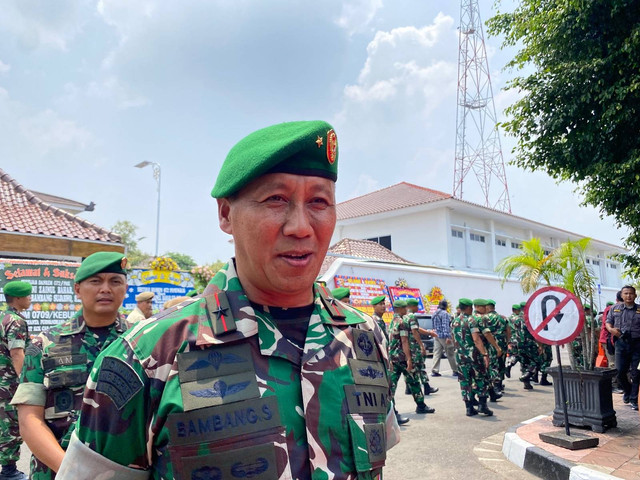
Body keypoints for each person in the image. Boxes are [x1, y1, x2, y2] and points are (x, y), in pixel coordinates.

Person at [57, 121, 399, 479]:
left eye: (319, 201)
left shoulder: (365, 337)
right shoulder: (147, 357)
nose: (300, 226)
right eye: (276, 200)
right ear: (225, 214)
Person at [11, 251, 129, 480]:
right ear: (77, 289)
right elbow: (29, 420)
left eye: (115, 281)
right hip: (57, 471)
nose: (106, 288)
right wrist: (73, 472)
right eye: (95, 281)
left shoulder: (142, 342)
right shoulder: (44, 345)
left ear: (125, 287)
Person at [0, 281, 32, 480]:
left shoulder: (4, 317)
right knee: (10, 425)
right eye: (28, 296)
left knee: (4, 423)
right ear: (19, 298)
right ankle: (9, 472)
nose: (30, 299)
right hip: (10, 382)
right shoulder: (16, 321)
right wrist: (24, 382)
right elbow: (17, 353)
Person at [388, 300, 434, 415]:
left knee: (392, 385)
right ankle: (421, 406)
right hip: (402, 358)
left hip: (393, 357)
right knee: (414, 382)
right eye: (404, 308)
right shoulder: (402, 322)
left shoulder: (392, 321)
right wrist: (409, 359)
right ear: (399, 309)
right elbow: (404, 341)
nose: (405, 310)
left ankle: (391, 410)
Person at [451, 298, 492, 417]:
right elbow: (476, 339)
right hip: (473, 356)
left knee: (465, 381)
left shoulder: (455, 321)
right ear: (469, 308)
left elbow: (454, 339)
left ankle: (469, 408)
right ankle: (482, 405)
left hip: (460, 356)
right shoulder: (472, 320)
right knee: (481, 378)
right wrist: (484, 354)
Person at [606, 285, 640, 411]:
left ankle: (633, 399)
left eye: (631, 293)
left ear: (635, 295)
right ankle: (628, 390)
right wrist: (611, 329)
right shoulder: (615, 309)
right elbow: (608, 321)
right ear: (621, 295)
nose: (628, 296)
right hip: (621, 344)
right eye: (626, 293)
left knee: (636, 373)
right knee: (620, 372)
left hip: (637, 345)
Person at [404, 299, 438, 396]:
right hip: (413, 346)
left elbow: (417, 328)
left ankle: (408, 388)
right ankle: (427, 387)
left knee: (409, 367)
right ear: (412, 306)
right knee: (420, 366)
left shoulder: (404, 316)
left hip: (405, 346)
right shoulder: (412, 316)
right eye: (416, 306)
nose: (418, 308)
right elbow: (415, 331)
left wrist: (428, 332)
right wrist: (421, 345)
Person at [485, 299, 511, 391]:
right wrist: (508, 342)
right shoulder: (503, 318)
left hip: (490, 344)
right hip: (502, 343)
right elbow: (508, 331)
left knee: (493, 364)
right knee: (501, 363)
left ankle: (495, 386)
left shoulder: (485, 318)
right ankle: (499, 384)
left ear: (488, 307)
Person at [431, 300, 458, 378]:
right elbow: (445, 326)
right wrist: (448, 337)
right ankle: (455, 370)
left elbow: (433, 326)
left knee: (436, 353)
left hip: (436, 336)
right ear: (446, 306)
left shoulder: (434, 313)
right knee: (450, 353)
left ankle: (434, 370)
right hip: (444, 336)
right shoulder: (445, 314)